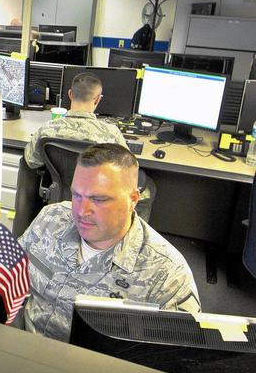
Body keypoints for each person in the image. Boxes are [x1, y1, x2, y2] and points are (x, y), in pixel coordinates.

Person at [19, 143, 200, 342]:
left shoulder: (167, 274)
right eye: (77, 195)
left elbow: (175, 357)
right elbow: (7, 274)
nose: (81, 211)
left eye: (99, 199)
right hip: (24, 347)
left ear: (133, 199)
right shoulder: (50, 220)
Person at [23, 72, 156, 220]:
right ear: (98, 99)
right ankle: (131, 237)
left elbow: (31, 161)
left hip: (62, 194)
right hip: (98, 201)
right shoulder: (110, 134)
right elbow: (129, 170)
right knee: (148, 186)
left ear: (70, 94)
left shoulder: (48, 129)